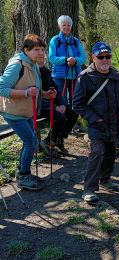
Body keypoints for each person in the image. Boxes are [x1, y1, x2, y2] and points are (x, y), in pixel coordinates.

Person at [73, 42, 119, 202]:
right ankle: (89, 189)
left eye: (107, 56)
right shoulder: (85, 77)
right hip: (96, 126)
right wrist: (94, 118)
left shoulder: (116, 75)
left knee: (111, 153)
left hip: (114, 124)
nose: (105, 60)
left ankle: (105, 180)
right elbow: (77, 104)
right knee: (96, 153)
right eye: (101, 57)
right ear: (93, 58)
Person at [0, 34, 55, 190]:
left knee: (30, 142)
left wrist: (45, 94)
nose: (41, 53)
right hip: (13, 112)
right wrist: (25, 93)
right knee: (31, 142)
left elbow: (33, 89)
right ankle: (23, 176)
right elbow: (1, 88)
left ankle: (23, 173)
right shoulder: (17, 65)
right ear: (26, 49)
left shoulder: (34, 65)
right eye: (36, 49)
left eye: (43, 50)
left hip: (26, 112)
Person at [49, 15, 85, 149]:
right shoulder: (55, 40)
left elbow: (83, 57)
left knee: (75, 105)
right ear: (60, 26)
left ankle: (62, 136)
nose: (66, 27)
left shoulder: (76, 41)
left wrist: (75, 60)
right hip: (59, 77)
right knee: (62, 106)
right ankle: (56, 138)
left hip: (75, 77)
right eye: (64, 25)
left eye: (68, 25)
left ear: (71, 26)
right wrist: (65, 60)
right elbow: (52, 58)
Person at [38, 60, 79, 156]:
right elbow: (36, 97)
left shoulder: (46, 72)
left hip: (51, 103)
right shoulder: (30, 73)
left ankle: (59, 139)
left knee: (73, 114)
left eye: (42, 52)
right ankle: (48, 141)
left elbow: (57, 90)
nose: (41, 58)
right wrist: (55, 107)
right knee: (61, 117)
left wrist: (62, 104)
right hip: (39, 107)